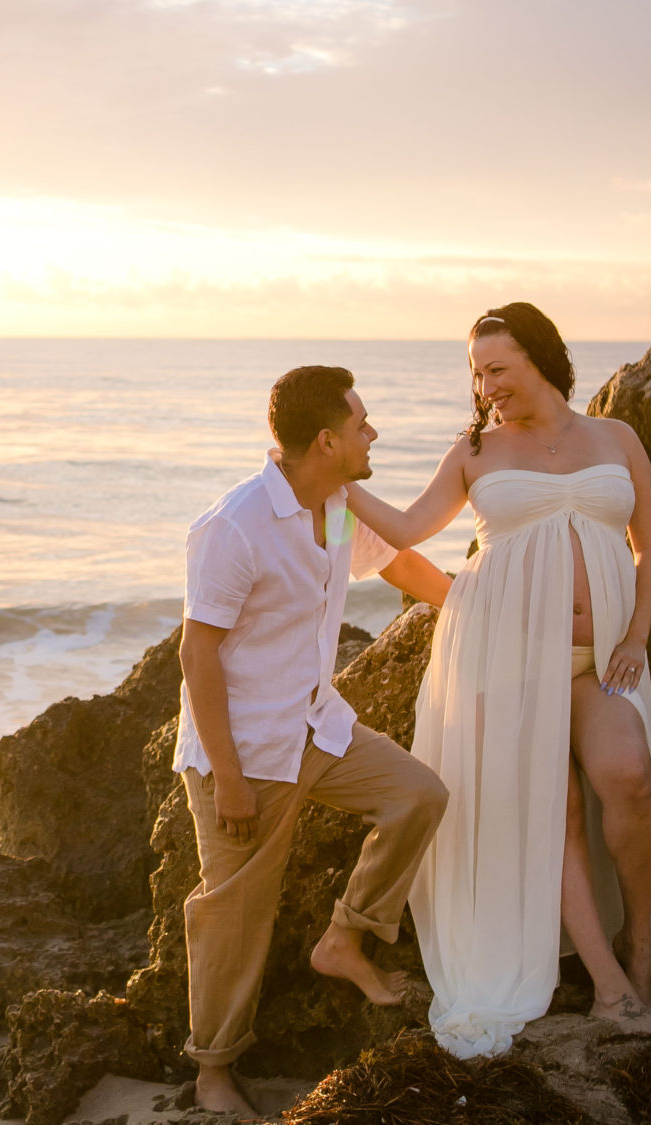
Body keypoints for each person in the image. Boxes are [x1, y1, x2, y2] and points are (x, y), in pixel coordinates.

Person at [345, 304, 651, 1059]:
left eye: (498, 370)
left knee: (626, 773)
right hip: (505, 657)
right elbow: (410, 528)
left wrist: (639, 636)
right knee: (557, 808)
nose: (486, 387)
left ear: (540, 359)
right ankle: (613, 985)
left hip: (601, 658)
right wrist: (335, 478)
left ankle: (641, 945)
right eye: (477, 373)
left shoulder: (616, 437)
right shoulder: (476, 448)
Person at [177, 365, 453, 1116]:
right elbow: (196, 654)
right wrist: (228, 778)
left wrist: (473, 598)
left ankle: (346, 937)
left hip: (317, 726)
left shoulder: (332, 507)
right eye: (363, 424)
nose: (373, 434)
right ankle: (213, 1069)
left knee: (418, 796)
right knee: (236, 912)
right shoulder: (235, 526)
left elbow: (398, 562)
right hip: (244, 748)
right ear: (327, 439)